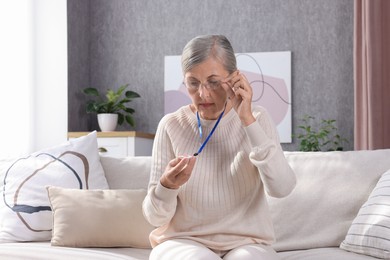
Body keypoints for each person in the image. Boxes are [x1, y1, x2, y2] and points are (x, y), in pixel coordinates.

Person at [142, 34, 296, 260]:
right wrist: (166, 186)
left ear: (235, 78)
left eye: (213, 82)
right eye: (193, 83)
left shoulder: (258, 119)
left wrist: (247, 120)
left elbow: (282, 188)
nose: (203, 94)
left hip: (248, 243)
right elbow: (154, 218)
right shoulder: (171, 125)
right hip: (182, 242)